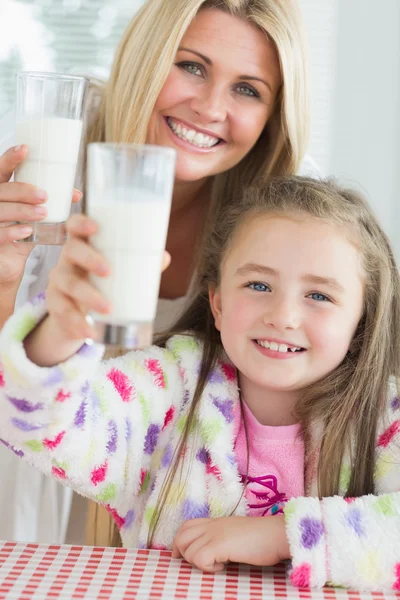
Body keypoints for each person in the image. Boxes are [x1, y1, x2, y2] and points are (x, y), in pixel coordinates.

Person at [0, 0, 317, 544]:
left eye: (248, 89)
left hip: (168, 506)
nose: (210, 107)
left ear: (272, 116)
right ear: (148, 57)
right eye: (191, 65)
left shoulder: (285, 214)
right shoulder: (50, 148)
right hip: (26, 464)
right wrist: (5, 283)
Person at [1, 175, 399, 590]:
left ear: (360, 320)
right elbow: (47, 428)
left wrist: (285, 534)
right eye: (258, 285)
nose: (283, 316)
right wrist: (65, 329)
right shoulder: (167, 389)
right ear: (219, 303)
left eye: (319, 296)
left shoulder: (383, 417)